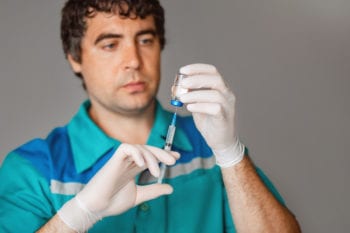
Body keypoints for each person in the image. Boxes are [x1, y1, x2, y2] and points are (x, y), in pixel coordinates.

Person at [0, 0, 301, 232]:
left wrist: (230, 154)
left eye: (145, 40)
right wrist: (80, 213)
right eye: (110, 44)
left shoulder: (209, 146)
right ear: (75, 58)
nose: (133, 61)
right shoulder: (32, 170)